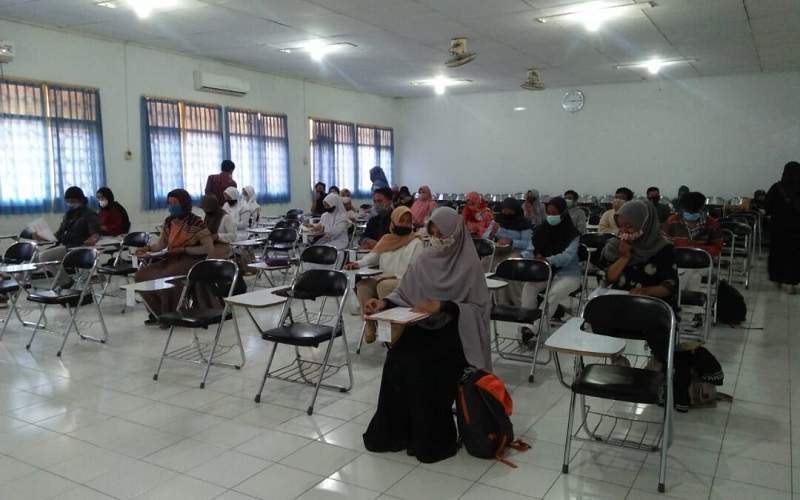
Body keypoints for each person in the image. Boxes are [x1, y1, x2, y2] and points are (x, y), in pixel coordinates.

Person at [362, 207, 491, 464]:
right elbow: (404, 293)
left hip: (454, 330)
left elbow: (478, 309)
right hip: (422, 325)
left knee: (425, 366)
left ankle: (429, 439)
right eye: (432, 234)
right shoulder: (425, 259)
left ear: (455, 234)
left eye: (442, 234)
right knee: (396, 360)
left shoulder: (468, 264)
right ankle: (396, 433)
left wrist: (443, 305)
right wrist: (383, 303)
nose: (437, 240)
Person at [344, 206, 424, 343]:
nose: (404, 224)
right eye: (401, 221)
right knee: (363, 285)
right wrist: (357, 263)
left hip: (403, 281)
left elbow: (413, 270)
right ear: (393, 221)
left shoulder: (416, 242)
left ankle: (388, 327)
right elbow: (372, 257)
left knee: (383, 285)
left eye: (407, 222)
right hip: (383, 278)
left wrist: (395, 277)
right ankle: (369, 323)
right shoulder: (386, 239)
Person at [134, 189, 213, 322]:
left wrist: (184, 250)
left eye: (175, 203)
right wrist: (147, 248)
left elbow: (208, 248)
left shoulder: (196, 222)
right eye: (169, 203)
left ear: (184, 204)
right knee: (142, 275)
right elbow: (161, 244)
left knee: (167, 277)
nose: (171, 206)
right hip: (173, 257)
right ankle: (157, 312)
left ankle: (170, 314)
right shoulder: (170, 221)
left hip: (192, 259)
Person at [600, 200, 679, 309]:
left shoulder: (663, 248)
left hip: (653, 306)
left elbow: (670, 286)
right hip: (618, 304)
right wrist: (624, 258)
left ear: (645, 225)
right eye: (620, 226)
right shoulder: (615, 245)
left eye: (629, 226)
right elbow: (606, 279)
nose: (624, 231)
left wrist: (646, 291)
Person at [519, 197, 581, 334]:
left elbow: (567, 257)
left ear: (563, 213)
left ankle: (534, 328)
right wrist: (523, 255)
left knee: (553, 293)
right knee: (529, 288)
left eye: (555, 213)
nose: (551, 216)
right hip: (545, 272)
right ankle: (527, 322)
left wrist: (547, 259)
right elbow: (531, 249)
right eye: (549, 213)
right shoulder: (541, 231)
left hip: (568, 274)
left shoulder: (573, 234)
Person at [32, 186, 102, 289]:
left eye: (72, 202)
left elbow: (95, 232)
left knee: (44, 257)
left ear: (81, 200)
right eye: (67, 202)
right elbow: (58, 234)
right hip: (65, 245)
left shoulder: (90, 214)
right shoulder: (68, 215)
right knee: (33, 259)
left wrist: (93, 239)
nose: (70, 204)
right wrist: (42, 237)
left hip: (77, 247)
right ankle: (14, 286)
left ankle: (66, 281)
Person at [665, 192, 723, 291]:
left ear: (701, 208)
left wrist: (697, 251)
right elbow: (664, 241)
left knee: (686, 272)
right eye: (688, 210)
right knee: (692, 275)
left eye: (694, 210)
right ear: (683, 208)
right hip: (677, 262)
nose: (691, 213)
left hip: (702, 263)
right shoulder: (672, 221)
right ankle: (691, 298)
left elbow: (718, 246)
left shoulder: (712, 224)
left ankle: (678, 295)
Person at [765, 161, 800, 294]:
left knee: (777, 253)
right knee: (794, 255)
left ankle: (777, 280)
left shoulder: (777, 188)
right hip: (796, 229)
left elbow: (767, 207)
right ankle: (790, 284)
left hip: (778, 228)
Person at [482, 197, 532, 262]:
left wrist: (511, 242)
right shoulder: (498, 220)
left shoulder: (523, 223)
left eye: (510, 212)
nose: (507, 214)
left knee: (508, 263)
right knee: (485, 262)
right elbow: (485, 239)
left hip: (516, 252)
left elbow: (527, 243)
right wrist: (492, 232)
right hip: (498, 252)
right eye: (505, 211)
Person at [199, 194, 235, 259]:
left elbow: (233, 235)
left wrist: (218, 236)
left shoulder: (225, 217)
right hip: (209, 246)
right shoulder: (207, 216)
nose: (205, 211)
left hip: (223, 247)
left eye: (207, 209)